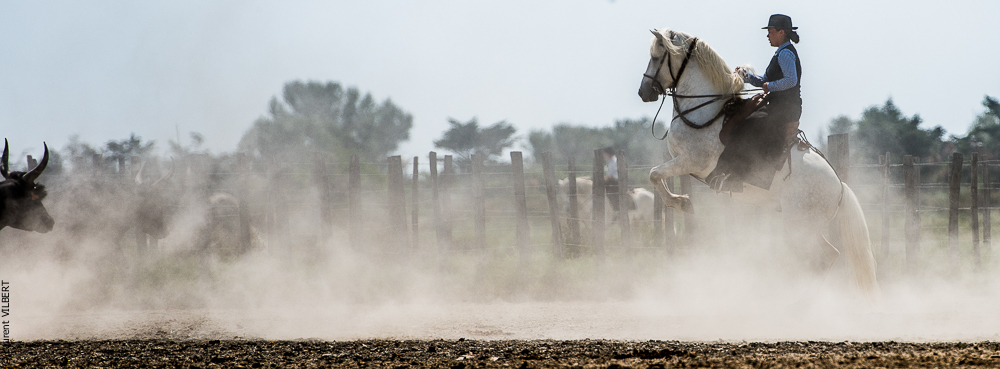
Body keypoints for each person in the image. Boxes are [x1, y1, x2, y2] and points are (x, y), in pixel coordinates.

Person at [736, 14, 802, 143]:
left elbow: (791, 80)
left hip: (784, 110)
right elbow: (764, 81)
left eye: (770, 32)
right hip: (780, 107)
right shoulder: (781, 52)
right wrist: (745, 76)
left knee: (748, 125)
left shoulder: (785, 53)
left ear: (781, 32)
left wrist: (770, 86)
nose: (768, 36)